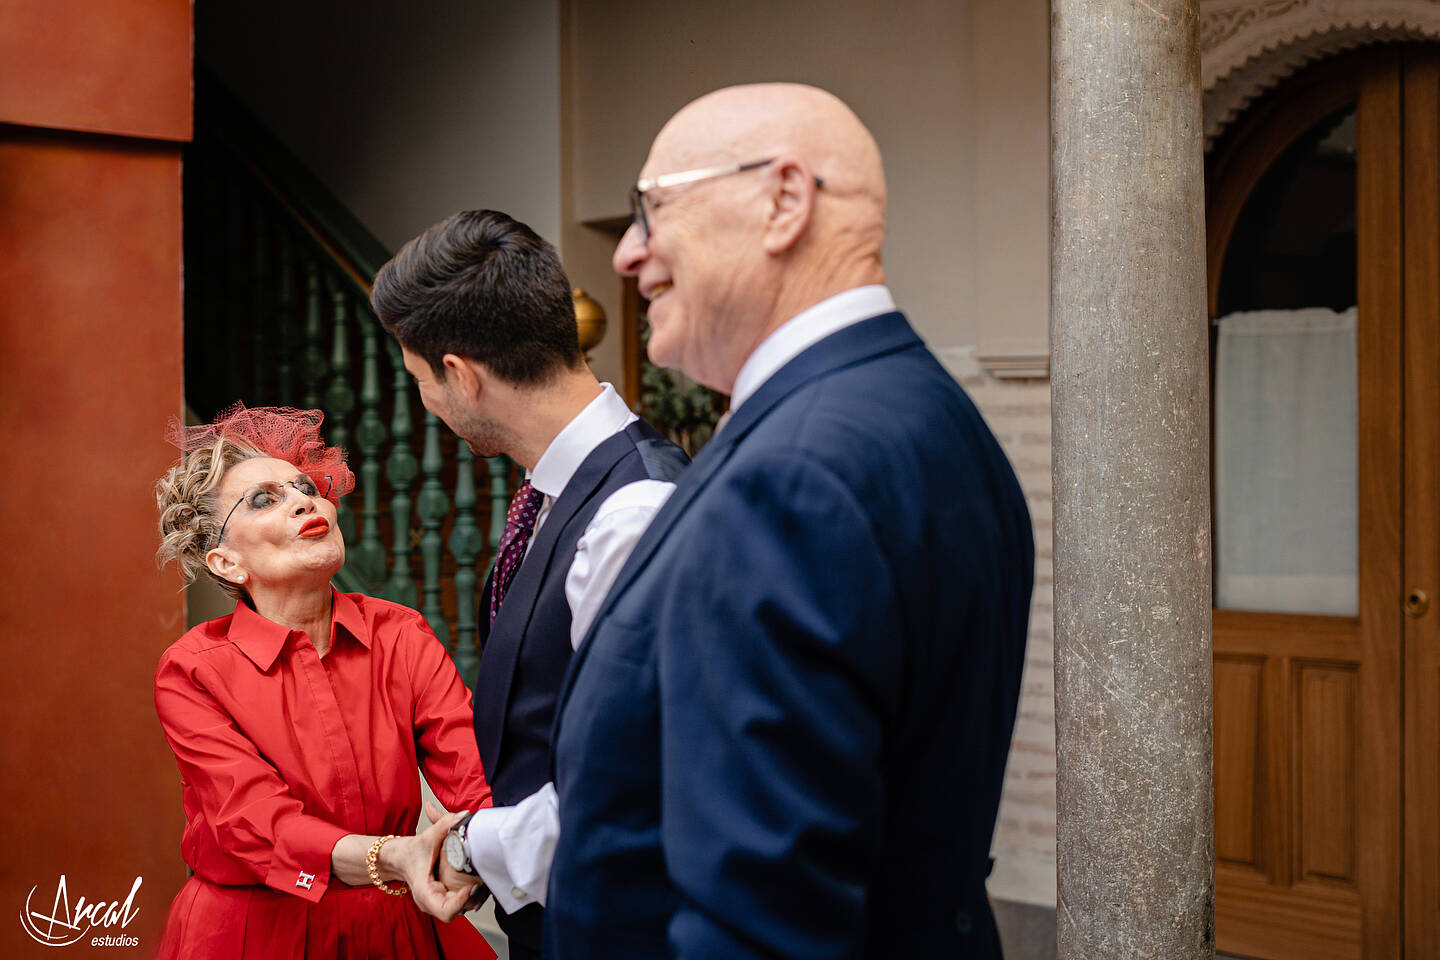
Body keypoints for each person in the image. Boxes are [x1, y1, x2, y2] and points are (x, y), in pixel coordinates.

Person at [545, 84, 1035, 958]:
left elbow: (761, 915)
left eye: (651, 210)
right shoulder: (918, 409)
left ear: (783, 201)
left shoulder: (795, 475)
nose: (626, 255)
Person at [369, 209, 689, 960]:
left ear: (461, 376)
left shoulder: (635, 510)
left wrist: (475, 847)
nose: (427, 404)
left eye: (420, 381)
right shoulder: (556, 493)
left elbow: (641, 780)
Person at [152, 403, 495, 960]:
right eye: (265, 499)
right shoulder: (194, 669)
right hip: (255, 935)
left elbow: (472, 769)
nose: (303, 501)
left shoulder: (400, 633)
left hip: (399, 926)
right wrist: (398, 858)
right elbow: (256, 821)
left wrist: (478, 848)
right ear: (227, 563)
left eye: (304, 487)